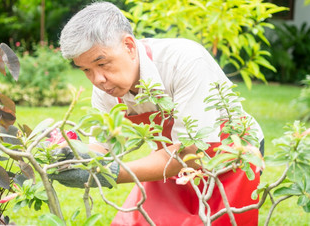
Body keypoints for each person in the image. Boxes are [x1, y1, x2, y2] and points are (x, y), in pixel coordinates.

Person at [55, 1, 265, 225]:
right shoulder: (106, 89)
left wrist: (113, 173)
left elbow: (190, 151)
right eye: (86, 70)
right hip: (170, 163)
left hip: (230, 159)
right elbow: (101, 149)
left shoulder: (185, 61)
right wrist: (70, 157)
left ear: (129, 46)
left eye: (103, 64)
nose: (97, 79)